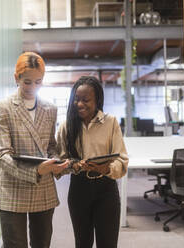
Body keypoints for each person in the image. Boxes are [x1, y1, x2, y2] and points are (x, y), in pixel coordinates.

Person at [0, 52, 69, 248]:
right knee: (15, 244)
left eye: (38, 82)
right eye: (27, 82)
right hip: (13, 188)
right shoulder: (3, 107)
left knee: (42, 244)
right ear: (16, 78)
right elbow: (2, 155)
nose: (32, 87)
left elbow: (50, 146)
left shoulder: (50, 108)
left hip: (43, 189)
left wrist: (57, 162)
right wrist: (36, 170)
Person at [57, 76, 129, 248]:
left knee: (108, 243)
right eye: (76, 99)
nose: (80, 104)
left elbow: (122, 159)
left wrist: (107, 168)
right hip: (79, 188)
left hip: (106, 189)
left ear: (97, 101)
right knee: (82, 243)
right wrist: (72, 165)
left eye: (86, 100)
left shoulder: (111, 123)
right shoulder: (67, 125)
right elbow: (60, 160)